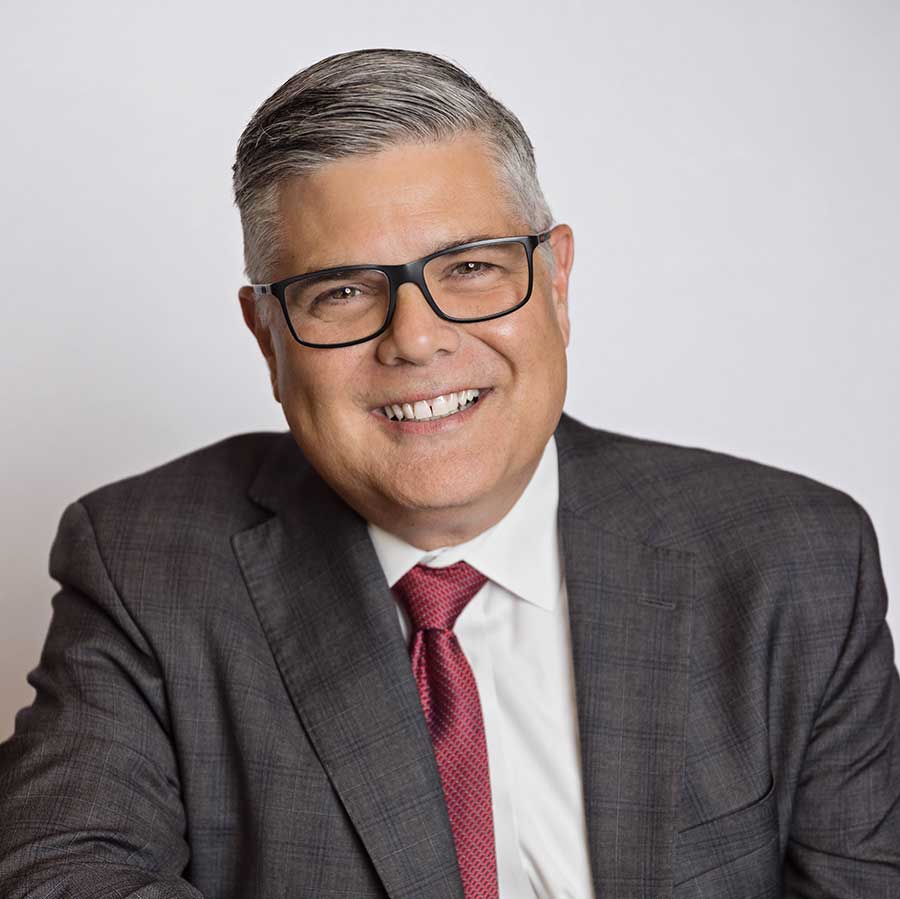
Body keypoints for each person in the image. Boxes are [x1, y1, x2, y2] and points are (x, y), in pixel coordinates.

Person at [0, 47, 897, 899]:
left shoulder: (795, 561)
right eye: (343, 291)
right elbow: (61, 871)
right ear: (266, 337)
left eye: (470, 268)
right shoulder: (143, 564)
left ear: (557, 282)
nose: (417, 339)